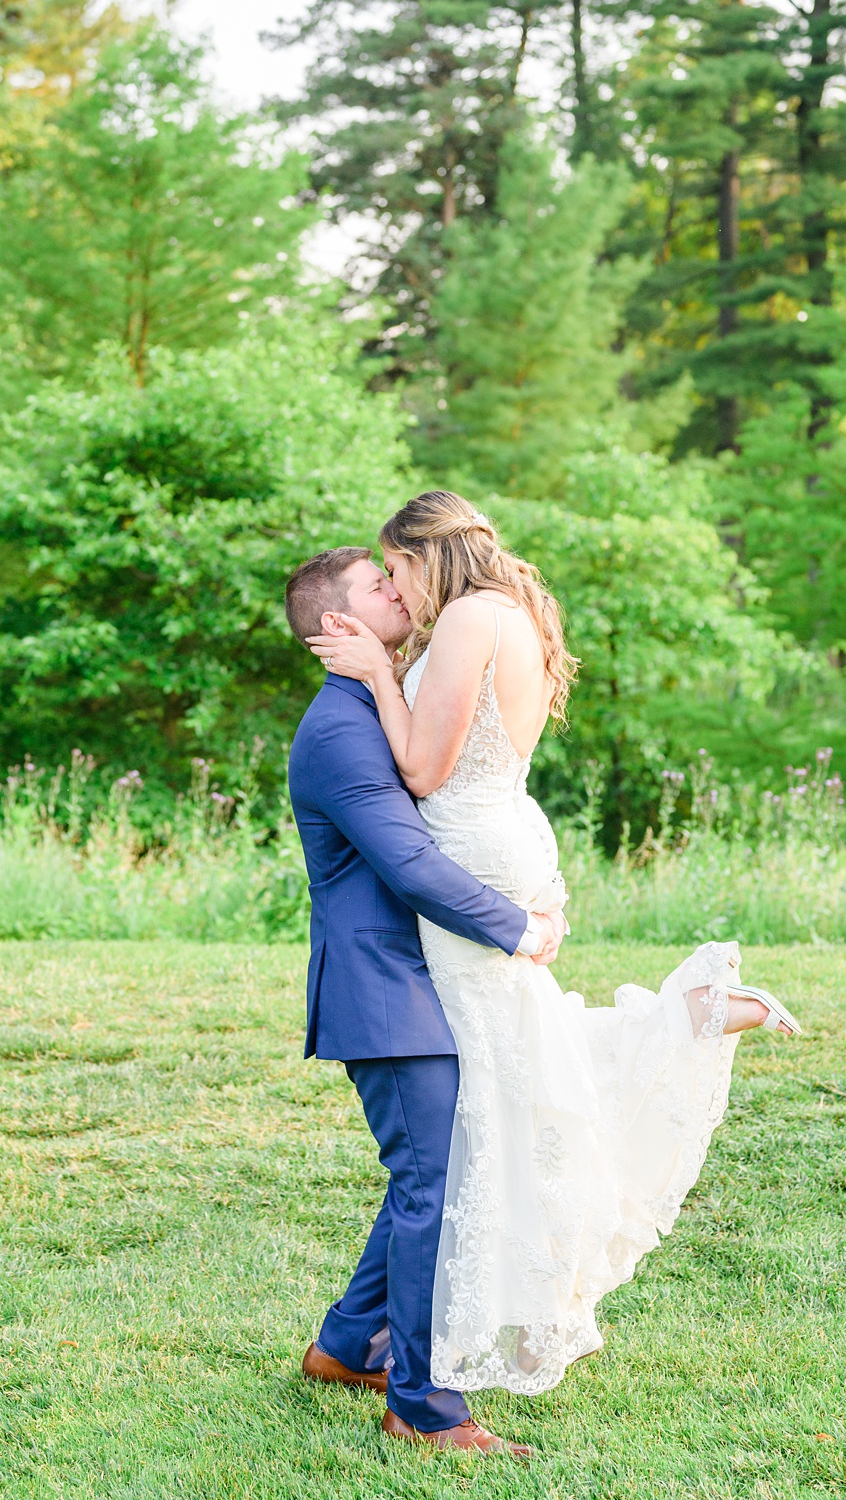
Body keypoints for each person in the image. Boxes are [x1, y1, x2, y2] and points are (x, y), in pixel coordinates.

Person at [302, 493, 796, 1416]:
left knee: (491, 1107)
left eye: (395, 569)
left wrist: (377, 676)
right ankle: (353, 1348)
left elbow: (422, 778)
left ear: (425, 556)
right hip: (503, 843)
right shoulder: (511, 611)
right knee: (494, 1093)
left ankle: (416, 1389)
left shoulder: (463, 623)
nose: (398, 591)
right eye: (381, 583)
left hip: (474, 863)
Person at [281, 542, 563, 1458]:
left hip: (427, 981)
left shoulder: (377, 703)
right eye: (377, 584)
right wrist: (515, 926)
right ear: (340, 624)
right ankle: (424, 1406)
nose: (399, 588)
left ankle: (345, 1345)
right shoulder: (338, 728)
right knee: (435, 1189)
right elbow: (407, 862)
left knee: (427, 1179)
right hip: (387, 993)